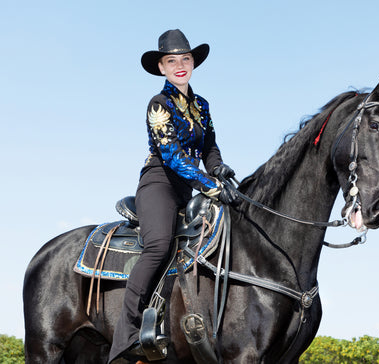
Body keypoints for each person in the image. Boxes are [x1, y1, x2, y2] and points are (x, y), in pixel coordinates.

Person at [109, 29, 237, 362]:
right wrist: (207, 183)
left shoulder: (201, 105)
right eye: (171, 61)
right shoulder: (159, 104)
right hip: (160, 182)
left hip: (190, 183)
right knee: (159, 245)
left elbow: (208, 145)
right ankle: (127, 335)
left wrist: (218, 168)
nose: (179, 65)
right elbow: (173, 156)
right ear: (162, 68)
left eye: (185, 59)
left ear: (193, 62)